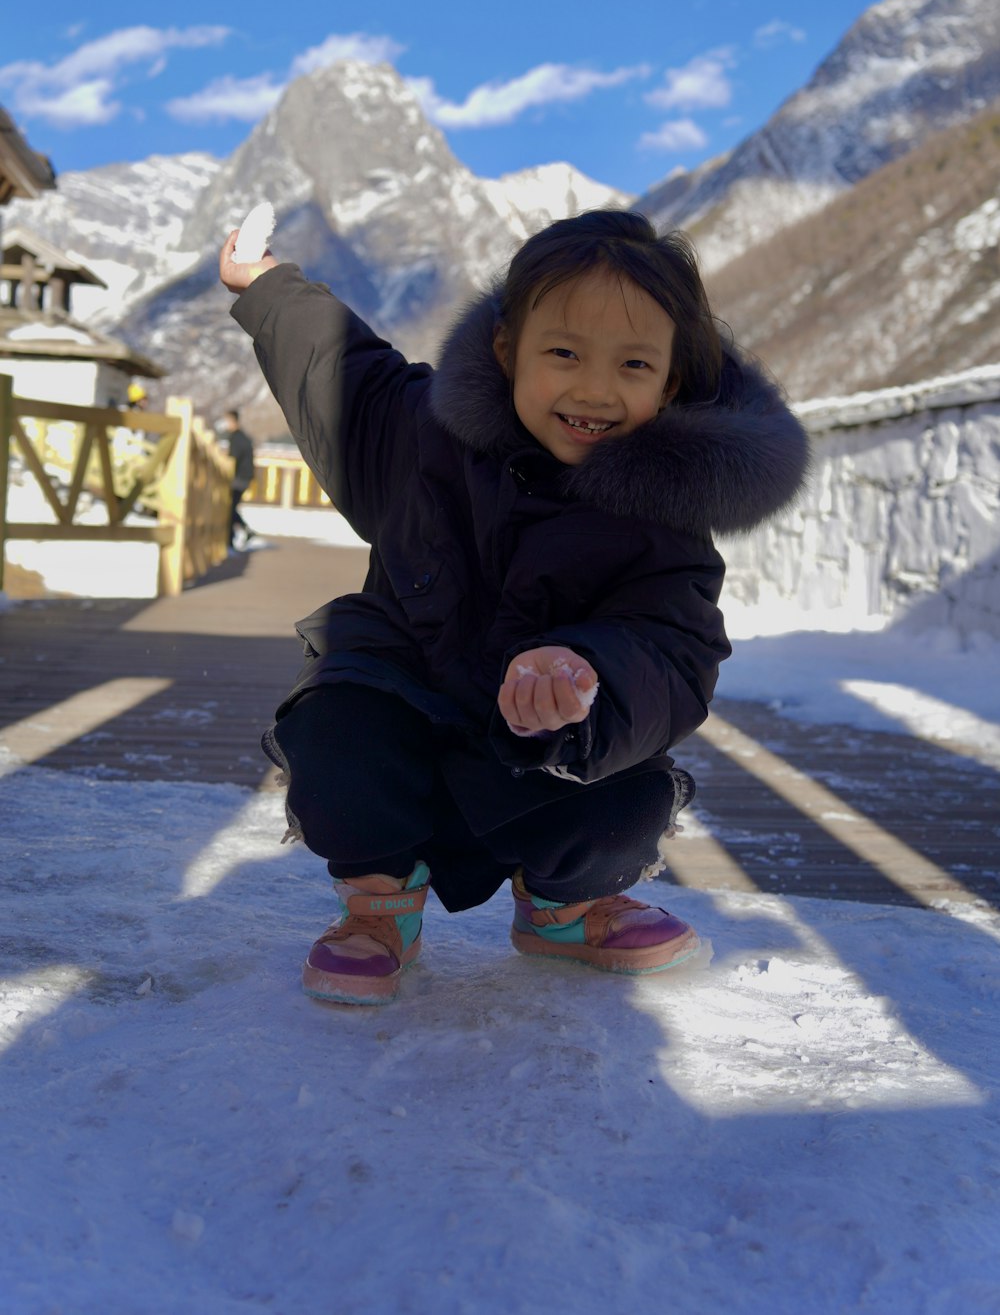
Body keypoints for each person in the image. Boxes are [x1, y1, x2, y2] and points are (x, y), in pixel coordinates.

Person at [219, 210, 808, 1007]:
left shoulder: (665, 515)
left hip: (542, 760)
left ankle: (568, 909)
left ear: (670, 382)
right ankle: (378, 907)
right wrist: (266, 286)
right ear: (508, 351)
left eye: (633, 363)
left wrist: (588, 675)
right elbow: (343, 372)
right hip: (406, 714)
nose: (595, 388)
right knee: (335, 730)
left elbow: (673, 645)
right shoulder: (425, 431)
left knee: (628, 800)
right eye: (563, 352)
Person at [222, 408, 256, 549]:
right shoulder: (242, 437)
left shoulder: (236, 438)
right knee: (231, 507)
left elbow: (233, 460)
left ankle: (232, 539)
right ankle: (243, 531)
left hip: (239, 478)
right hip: (245, 477)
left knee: (228, 508)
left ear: (232, 420)